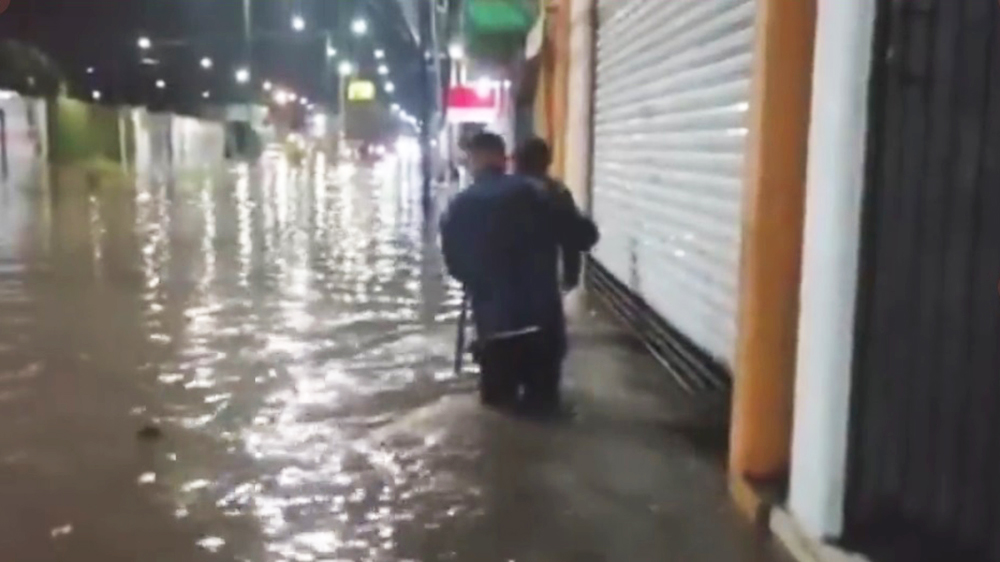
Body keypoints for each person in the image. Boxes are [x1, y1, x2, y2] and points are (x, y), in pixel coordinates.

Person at [440, 132, 598, 415]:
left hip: (494, 329)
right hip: (542, 324)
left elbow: (455, 265)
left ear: (473, 161)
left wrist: (482, 282)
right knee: (545, 412)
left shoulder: (459, 205)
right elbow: (585, 237)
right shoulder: (541, 193)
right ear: (503, 158)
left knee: (498, 418)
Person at [514, 137, 585, 292]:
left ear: (516, 162)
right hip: (545, 278)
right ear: (547, 162)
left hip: (505, 281)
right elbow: (571, 238)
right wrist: (570, 276)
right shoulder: (557, 192)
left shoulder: (504, 191)